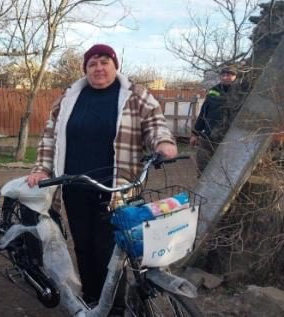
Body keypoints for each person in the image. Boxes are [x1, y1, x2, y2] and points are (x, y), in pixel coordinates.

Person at [26, 44, 177, 314]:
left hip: (117, 188)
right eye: (92, 63)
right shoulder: (70, 98)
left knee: (111, 250)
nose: (99, 68)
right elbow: (50, 136)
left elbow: (155, 124)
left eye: (104, 62)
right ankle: (92, 299)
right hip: (75, 185)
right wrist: (42, 168)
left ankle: (115, 308)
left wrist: (163, 144)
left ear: (115, 65)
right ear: (85, 69)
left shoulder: (134, 95)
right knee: (84, 246)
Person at [190, 66, 237, 174]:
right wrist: (195, 133)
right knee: (202, 165)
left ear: (236, 77)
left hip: (229, 139)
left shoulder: (241, 93)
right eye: (223, 75)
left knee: (225, 169)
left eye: (229, 75)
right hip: (209, 135)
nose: (225, 77)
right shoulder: (213, 91)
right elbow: (204, 112)